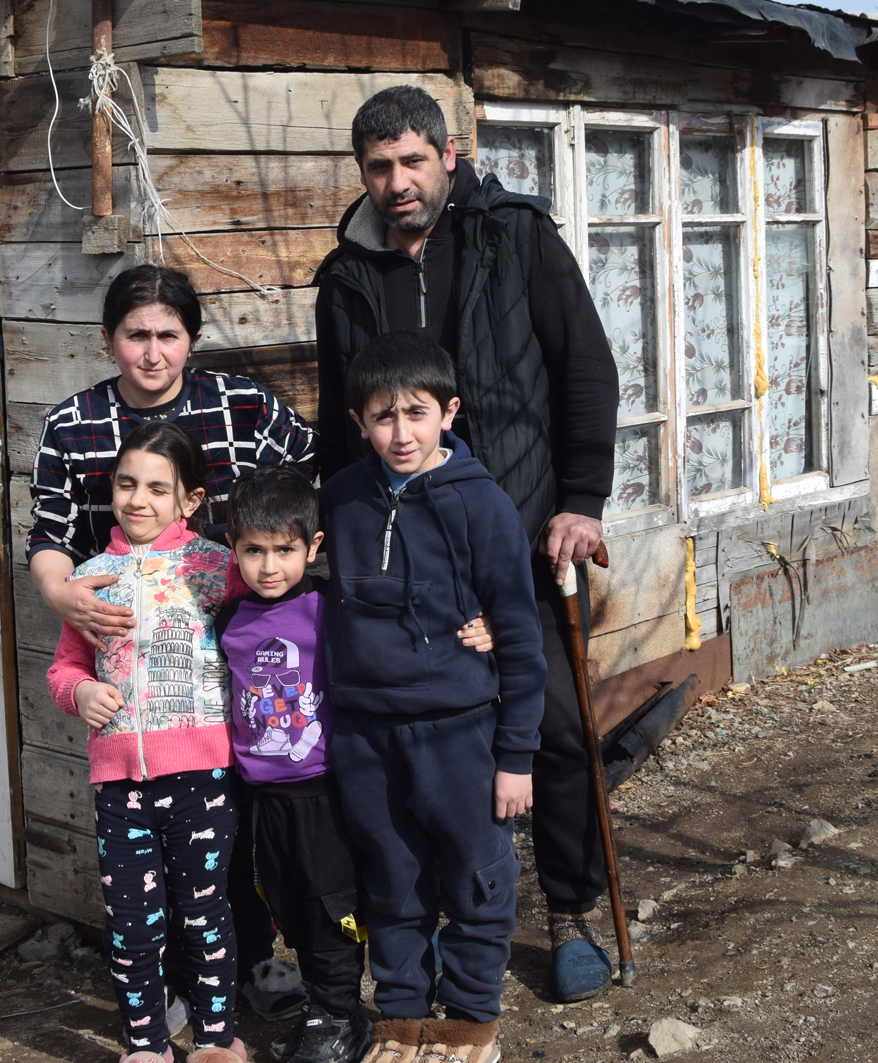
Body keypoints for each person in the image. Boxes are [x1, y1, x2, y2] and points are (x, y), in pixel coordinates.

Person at [312, 86, 621, 1002]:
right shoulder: (346, 274)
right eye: (379, 167)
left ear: (449, 155)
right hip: (403, 553)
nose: (397, 182)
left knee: (554, 726)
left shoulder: (514, 236)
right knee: (410, 740)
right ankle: (437, 918)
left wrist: (582, 501)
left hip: (519, 527)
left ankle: (569, 909)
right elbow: (337, 412)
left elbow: (585, 366)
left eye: (413, 160)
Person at [32, 263, 317, 1018]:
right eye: (136, 335)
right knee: (149, 866)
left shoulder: (242, 405)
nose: (152, 353)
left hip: (238, 638)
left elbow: (316, 475)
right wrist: (66, 598)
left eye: (168, 334)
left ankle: (248, 964)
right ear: (109, 339)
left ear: (191, 338)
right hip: (126, 639)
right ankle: (175, 987)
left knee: (237, 830)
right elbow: (50, 534)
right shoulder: (73, 424)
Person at [321, 333, 546, 1063]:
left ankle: (470, 1022)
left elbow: (520, 635)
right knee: (391, 881)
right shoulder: (341, 499)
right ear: (358, 422)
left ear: (448, 412)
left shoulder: (482, 504)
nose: (401, 433)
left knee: (480, 878)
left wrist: (516, 757)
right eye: (382, 416)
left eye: (416, 413)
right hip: (365, 735)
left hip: (460, 732)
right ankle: (403, 1021)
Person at [46, 421, 249, 1063]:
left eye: (158, 488)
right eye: (126, 484)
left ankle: (216, 1042)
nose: (138, 500)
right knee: (132, 927)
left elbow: (277, 607)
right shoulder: (90, 577)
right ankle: (145, 1046)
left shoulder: (216, 567)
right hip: (119, 786)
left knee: (204, 916)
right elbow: (64, 667)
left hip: (202, 778)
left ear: (190, 500)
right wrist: (80, 693)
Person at [214, 467, 365, 1063]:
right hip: (261, 801)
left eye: (284, 550)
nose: (269, 566)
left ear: (313, 546)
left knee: (331, 909)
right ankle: (316, 1003)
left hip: (324, 796)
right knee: (287, 907)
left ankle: (340, 1015)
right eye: (254, 550)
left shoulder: (330, 606)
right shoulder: (229, 620)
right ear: (233, 547)